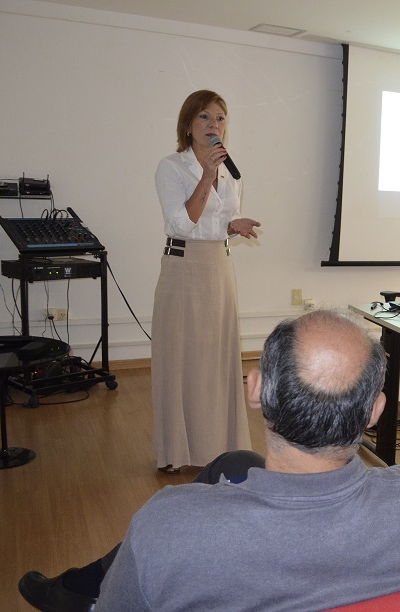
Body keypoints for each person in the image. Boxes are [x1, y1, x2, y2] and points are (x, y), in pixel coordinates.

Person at [19, 309, 400, 611]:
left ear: (256, 390)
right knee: (234, 462)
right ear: (375, 412)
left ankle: (75, 590)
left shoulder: (169, 528)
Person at [152, 89, 261, 473]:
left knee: (217, 361)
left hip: (219, 267)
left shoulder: (232, 174)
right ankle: (179, 452)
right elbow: (180, 224)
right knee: (184, 361)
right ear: (188, 124)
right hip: (184, 269)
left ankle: (219, 447)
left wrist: (234, 225)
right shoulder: (172, 167)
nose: (213, 125)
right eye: (204, 117)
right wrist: (208, 174)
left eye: (219, 118)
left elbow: (215, 222)